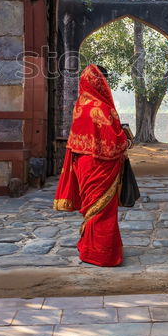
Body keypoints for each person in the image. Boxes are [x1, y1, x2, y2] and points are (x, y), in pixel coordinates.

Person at [54, 64, 131, 266]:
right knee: (104, 210)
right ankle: (103, 254)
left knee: (92, 208)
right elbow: (114, 143)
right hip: (101, 165)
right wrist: (127, 140)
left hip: (82, 164)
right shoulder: (102, 108)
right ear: (101, 83)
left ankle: (90, 248)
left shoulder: (80, 106)